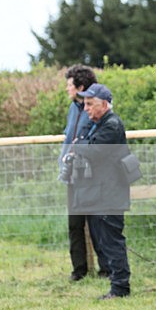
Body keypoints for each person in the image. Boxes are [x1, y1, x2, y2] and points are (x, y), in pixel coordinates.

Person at [65, 83, 131, 299]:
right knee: (103, 241)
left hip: (109, 194)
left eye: (90, 104)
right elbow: (79, 145)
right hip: (97, 193)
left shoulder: (111, 125)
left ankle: (120, 287)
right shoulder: (96, 124)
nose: (86, 109)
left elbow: (89, 151)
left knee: (112, 242)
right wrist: (82, 145)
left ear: (104, 104)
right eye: (84, 104)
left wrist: (81, 145)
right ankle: (117, 285)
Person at [59, 64, 108, 281]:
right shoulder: (73, 108)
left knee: (97, 223)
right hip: (72, 175)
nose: (67, 89)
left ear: (80, 86)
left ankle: (106, 269)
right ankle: (79, 271)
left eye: (69, 85)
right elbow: (69, 138)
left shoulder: (96, 110)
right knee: (75, 225)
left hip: (91, 176)